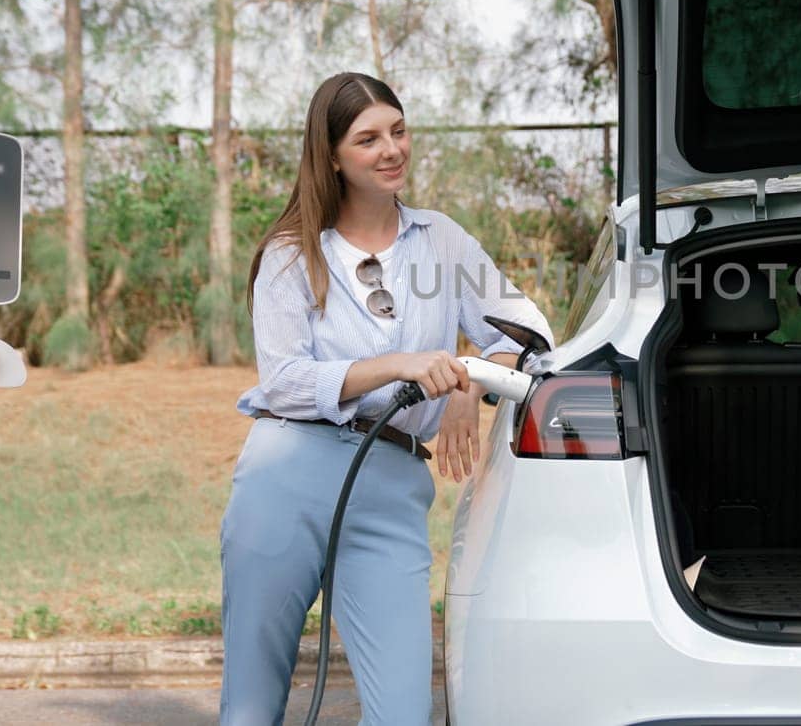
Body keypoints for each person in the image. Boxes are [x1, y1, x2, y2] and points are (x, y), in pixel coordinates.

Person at [220, 72, 552, 725]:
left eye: (398, 131)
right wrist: (395, 366)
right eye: (368, 138)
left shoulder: (441, 240)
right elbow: (283, 380)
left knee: (403, 713)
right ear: (333, 155)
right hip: (284, 477)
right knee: (252, 709)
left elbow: (529, 331)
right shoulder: (291, 255)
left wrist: (469, 373)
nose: (392, 148)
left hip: (390, 487)